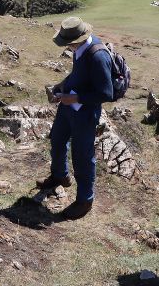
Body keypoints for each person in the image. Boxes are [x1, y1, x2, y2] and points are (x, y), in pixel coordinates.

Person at [36, 17, 113, 220]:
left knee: (82, 156)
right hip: (69, 107)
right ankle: (60, 175)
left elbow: (106, 93)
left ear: (76, 39)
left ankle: (85, 200)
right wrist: (62, 85)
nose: (66, 46)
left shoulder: (98, 56)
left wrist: (76, 97)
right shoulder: (80, 49)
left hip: (85, 114)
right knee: (57, 140)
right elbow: (78, 75)